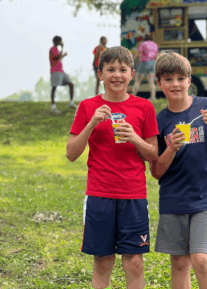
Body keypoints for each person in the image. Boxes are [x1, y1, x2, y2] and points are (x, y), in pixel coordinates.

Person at [66, 46, 159, 289]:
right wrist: (92, 124)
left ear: (132, 73)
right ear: (100, 74)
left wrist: (135, 138)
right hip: (99, 194)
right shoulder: (88, 107)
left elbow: (154, 155)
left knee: (134, 261)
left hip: (134, 195)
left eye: (122, 70)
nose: (116, 75)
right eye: (110, 70)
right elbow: (71, 154)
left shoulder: (144, 107)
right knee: (103, 261)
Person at [150, 52, 207, 289]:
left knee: (202, 259)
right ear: (159, 83)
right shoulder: (158, 121)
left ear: (190, 80)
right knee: (179, 263)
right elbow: (156, 171)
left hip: (206, 198)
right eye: (168, 79)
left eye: (180, 78)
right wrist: (170, 149)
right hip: (173, 199)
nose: (175, 84)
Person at [49, 36, 76, 114]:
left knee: (71, 84)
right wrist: (62, 49)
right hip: (55, 71)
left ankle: (71, 103)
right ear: (57, 41)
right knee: (54, 87)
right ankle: (53, 107)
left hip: (61, 71)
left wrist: (63, 55)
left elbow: (58, 58)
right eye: (60, 41)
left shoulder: (56, 49)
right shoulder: (53, 49)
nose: (61, 42)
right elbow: (56, 57)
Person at [132, 33, 159, 100]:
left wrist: (133, 59)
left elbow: (138, 54)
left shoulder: (143, 44)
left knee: (137, 80)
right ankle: (153, 97)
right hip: (152, 63)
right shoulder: (155, 45)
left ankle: (132, 97)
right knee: (151, 82)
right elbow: (156, 56)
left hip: (144, 62)